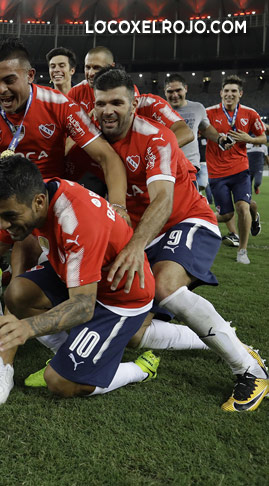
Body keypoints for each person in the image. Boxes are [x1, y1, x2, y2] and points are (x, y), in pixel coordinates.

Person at [92, 68, 268, 412]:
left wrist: (133, 247)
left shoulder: (156, 136)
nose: (108, 110)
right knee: (133, 333)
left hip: (187, 219)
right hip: (145, 233)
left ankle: (251, 371)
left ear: (133, 104)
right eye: (101, 103)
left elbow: (163, 201)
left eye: (117, 102)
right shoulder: (91, 138)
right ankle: (227, 340)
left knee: (164, 285)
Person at [0, 39, 129, 353]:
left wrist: (118, 205)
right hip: (3, 194)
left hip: (47, 199)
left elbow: (107, 157)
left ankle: (19, 318)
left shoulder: (60, 105)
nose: (0, 90)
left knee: (24, 262)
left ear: (30, 75)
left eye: (9, 80)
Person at [0, 156, 158, 407]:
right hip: (81, 279)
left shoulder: (77, 219)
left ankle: (139, 369)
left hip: (119, 298)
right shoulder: (28, 196)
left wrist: (29, 328)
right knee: (18, 293)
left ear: (38, 202)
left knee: (60, 382)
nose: (3, 225)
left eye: (9, 216)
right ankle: (68, 352)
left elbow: (82, 305)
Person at [205, 75, 266, 263]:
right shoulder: (207, 113)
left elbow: (263, 137)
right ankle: (253, 210)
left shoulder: (250, 113)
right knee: (226, 215)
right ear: (221, 93)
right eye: (226, 91)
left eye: (234, 91)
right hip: (216, 172)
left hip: (240, 169)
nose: (229, 94)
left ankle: (242, 251)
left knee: (241, 207)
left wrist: (250, 140)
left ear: (240, 94)